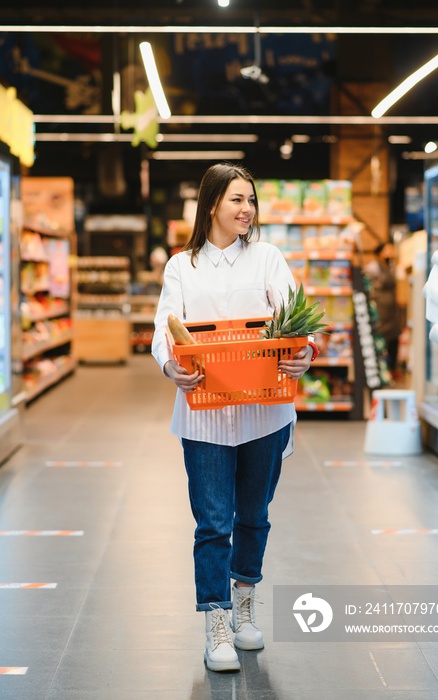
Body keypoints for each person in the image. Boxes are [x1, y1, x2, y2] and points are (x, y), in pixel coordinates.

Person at [152, 162, 316, 673]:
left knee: (254, 516)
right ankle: (216, 621)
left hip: (264, 413)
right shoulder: (182, 266)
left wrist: (305, 352)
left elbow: (295, 320)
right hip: (203, 417)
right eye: (236, 200)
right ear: (211, 206)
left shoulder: (267, 258)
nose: (246, 210)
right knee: (212, 523)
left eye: (251, 200)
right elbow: (165, 329)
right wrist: (169, 366)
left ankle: (244, 605)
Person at [364, 242, 402, 373]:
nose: (390, 253)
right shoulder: (372, 268)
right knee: (381, 339)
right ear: (380, 253)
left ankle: (392, 369)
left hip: (392, 311)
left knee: (394, 339)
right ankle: (381, 370)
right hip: (381, 310)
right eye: (387, 250)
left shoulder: (391, 266)